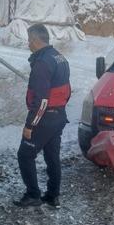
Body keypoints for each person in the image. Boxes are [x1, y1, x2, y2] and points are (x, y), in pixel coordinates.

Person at [14, 23, 71, 208]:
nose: (28, 44)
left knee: (25, 155)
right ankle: (53, 196)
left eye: (29, 40)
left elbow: (42, 100)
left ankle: (33, 195)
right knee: (52, 156)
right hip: (58, 116)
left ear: (36, 40)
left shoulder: (42, 63)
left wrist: (30, 125)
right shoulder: (59, 57)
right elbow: (67, 91)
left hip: (45, 118)